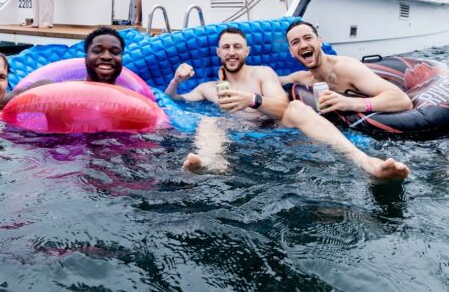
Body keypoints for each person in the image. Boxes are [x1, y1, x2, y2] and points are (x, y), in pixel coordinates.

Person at [166, 26, 410, 180]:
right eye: (226, 47)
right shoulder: (207, 88)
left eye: (237, 47)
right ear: (218, 53)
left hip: (272, 130)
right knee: (210, 120)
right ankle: (211, 161)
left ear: (247, 51)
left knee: (295, 108)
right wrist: (176, 81)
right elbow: (174, 101)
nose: (232, 52)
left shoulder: (262, 73)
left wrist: (252, 100)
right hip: (235, 131)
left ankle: (367, 162)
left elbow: (281, 108)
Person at [280, 20, 414, 115]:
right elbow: (272, 79)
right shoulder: (302, 79)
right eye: (295, 42)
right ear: (291, 51)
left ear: (319, 41)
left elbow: (403, 100)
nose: (303, 45)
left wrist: (351, 103)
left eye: (308, 38)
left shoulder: (347, 68)